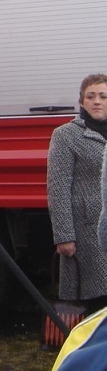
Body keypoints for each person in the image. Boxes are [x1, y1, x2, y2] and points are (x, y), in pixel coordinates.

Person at [47, 73, 107, 312]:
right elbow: (58, 186)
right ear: (81, 102)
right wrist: (63, 236)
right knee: (97, 302)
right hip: (87, 233)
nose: (97, 101)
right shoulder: (66, 136)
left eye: (103, 96)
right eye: (90, 96)